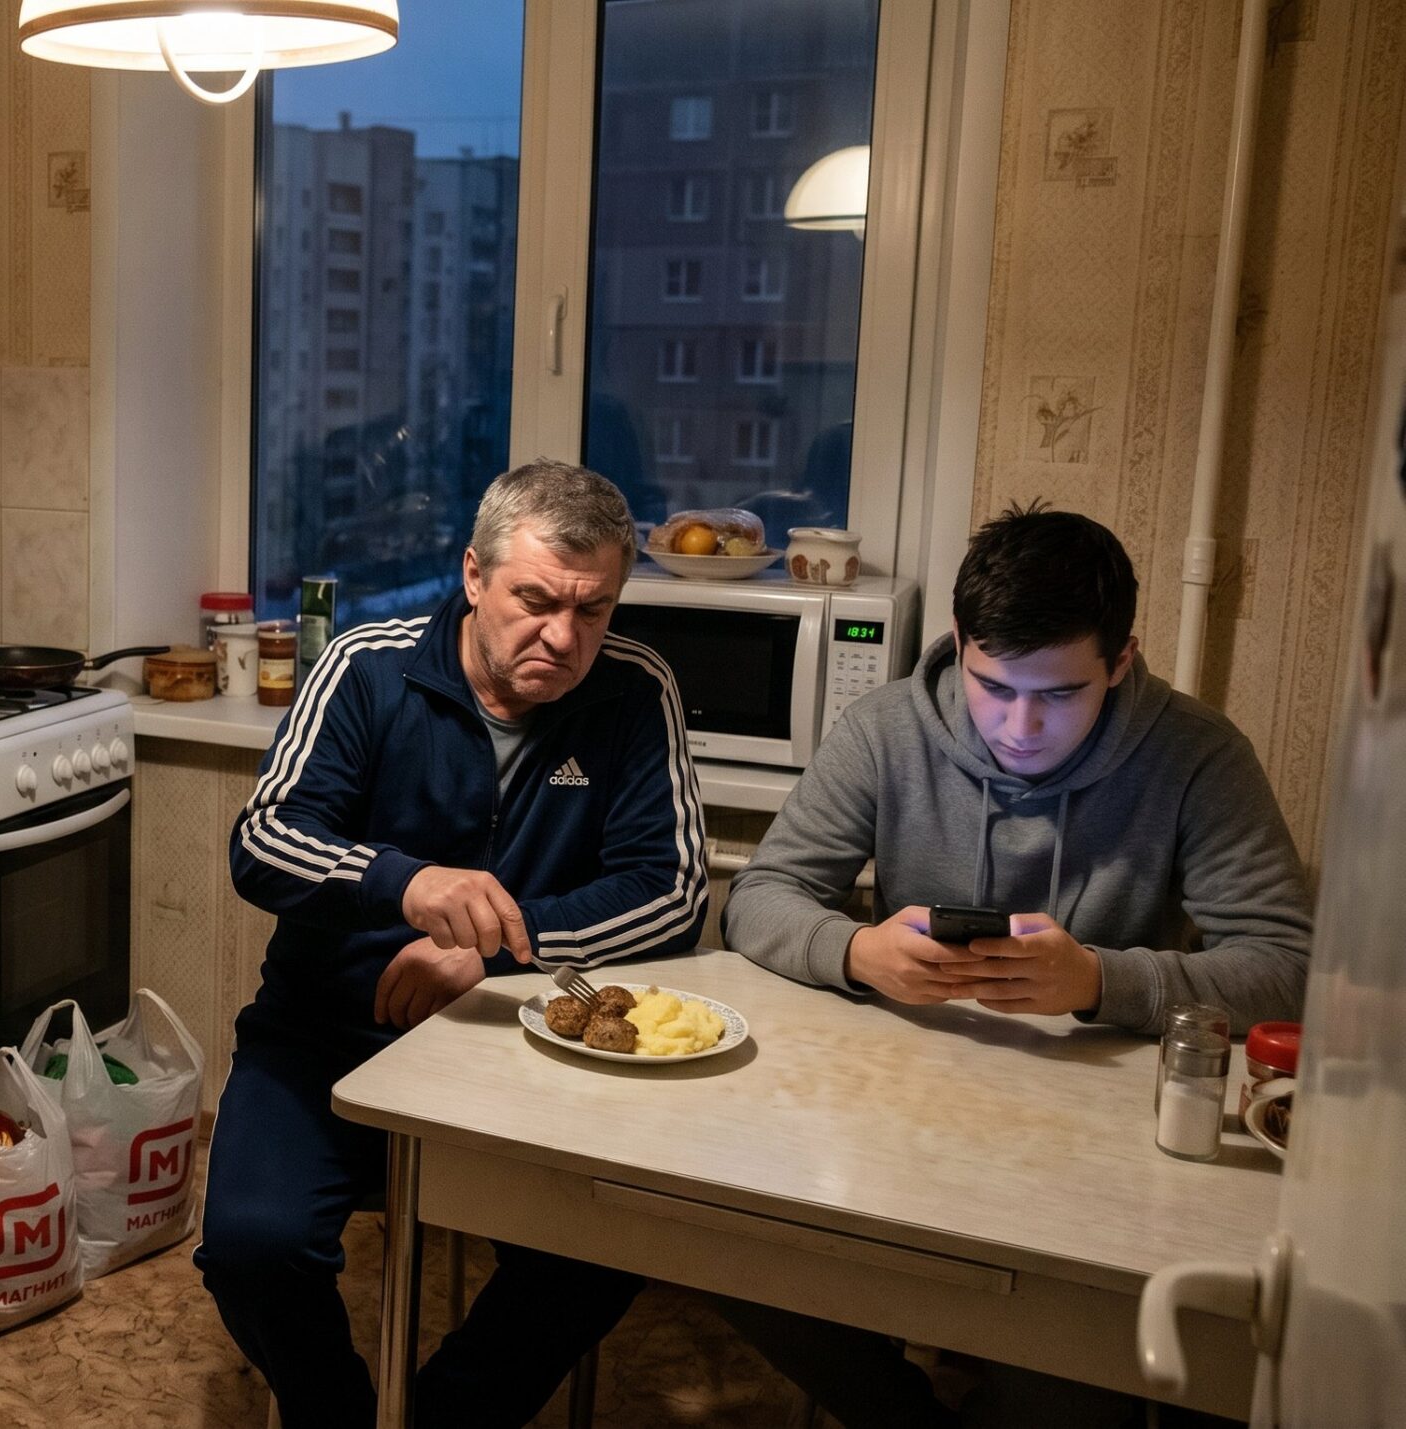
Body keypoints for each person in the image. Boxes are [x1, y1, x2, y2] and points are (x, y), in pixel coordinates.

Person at [717, 503, 1312, 1426]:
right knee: (743, 1259)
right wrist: (858, 951)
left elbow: (1287, 967)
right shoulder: (886, 729)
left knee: (1062, 1385)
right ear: (960, 642)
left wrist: (1102, 982)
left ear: (1121, 660)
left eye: (1061, 694)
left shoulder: (1198, 755)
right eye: (993, 686)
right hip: (896, 1115)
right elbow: (759, 896)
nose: (1021, 725)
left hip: (1097, 1143)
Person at [200, 460, 708, 1428]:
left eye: (592, 609)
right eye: (535, 601)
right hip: (326, 1039)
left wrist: (497, 951)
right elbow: (261, 841)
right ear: (474, 575)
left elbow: (672, 894)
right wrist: (407, 882)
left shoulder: (636, 688)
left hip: (529, 1051)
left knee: (604, 1250)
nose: (563, 637)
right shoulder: (365, 665)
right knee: (250, 1247)